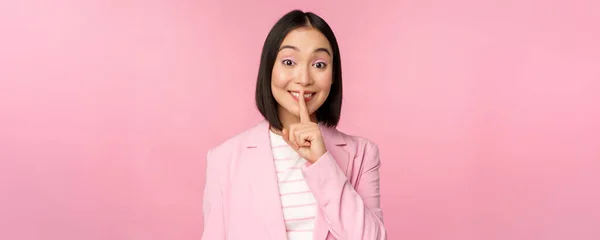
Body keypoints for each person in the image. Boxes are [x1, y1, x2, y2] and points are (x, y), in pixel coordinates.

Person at [201, 9, 386, 240]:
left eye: (319, 64)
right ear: (269, 68)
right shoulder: (224, 159)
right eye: (289, 62)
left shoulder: (363, 154)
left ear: (333, 75)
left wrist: (321, 162)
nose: (304, 78)